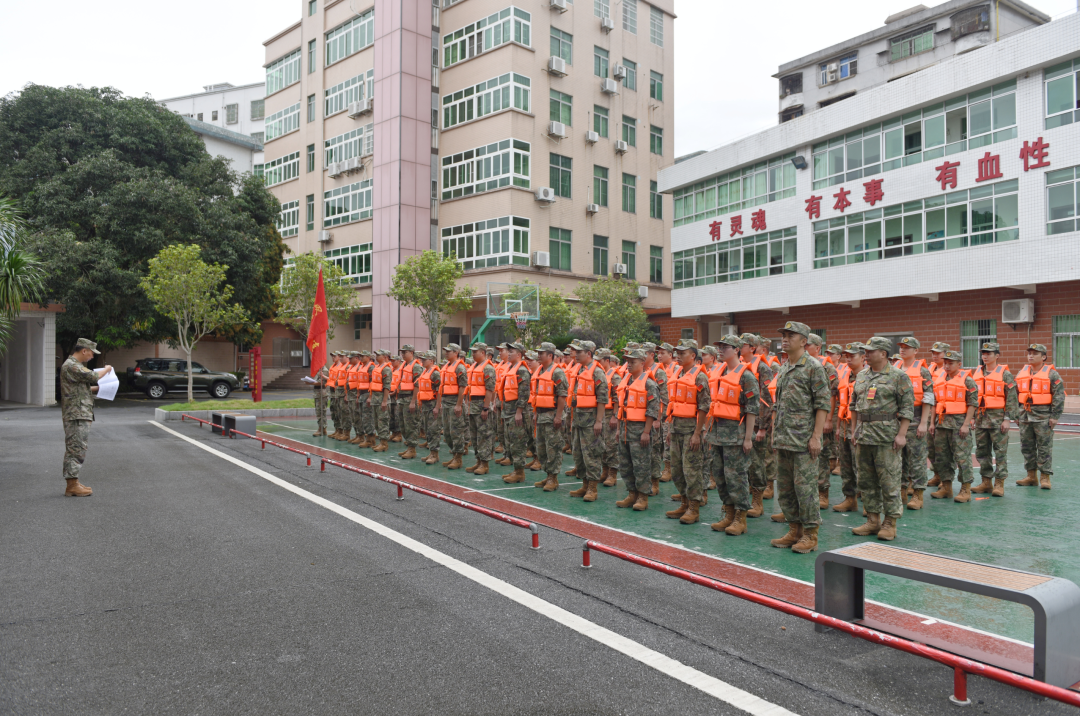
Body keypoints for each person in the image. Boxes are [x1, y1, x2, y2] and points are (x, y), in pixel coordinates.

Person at [770, 321, 830, 554]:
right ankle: (794, 529)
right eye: (783, 335)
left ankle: (810, 534)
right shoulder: (784, 366)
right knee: (785, 489)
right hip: (784, 438)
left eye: (790, 336)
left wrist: (816, 437)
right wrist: (775, 432)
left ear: (804, 341)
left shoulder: (813, 367)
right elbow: (779, 404)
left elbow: (822, 404)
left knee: (805, 489)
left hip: (804, 441)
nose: (785, 339)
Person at [849, 337, 914, 541]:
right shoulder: (861, 376)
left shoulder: (898, 376)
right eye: (865, 351)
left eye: (871, 351)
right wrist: (854, 430)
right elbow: (854, 405)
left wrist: (902, 434)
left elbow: (907, 408)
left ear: (883, 354)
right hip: (864, 435)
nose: (866, 354)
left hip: (886, 436)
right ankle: (873, 520)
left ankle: (890, 523)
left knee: (889, 481)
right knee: (866, 481)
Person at [706, 335, 759, 536]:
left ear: (737, 350)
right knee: (720, 476)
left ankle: (740, 517)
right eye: (719, 347)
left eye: (725, 347)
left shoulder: (746, 376)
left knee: (736, 477)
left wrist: (748, 438)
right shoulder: (719, 372)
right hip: (717, 434)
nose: (720, 350)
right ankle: (728, 513)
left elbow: (752, 409)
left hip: (736, 435)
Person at [665, 339, 711, 524]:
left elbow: (704, 407)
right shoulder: (678, 374)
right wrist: (670, 429)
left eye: (682, 353)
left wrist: (697, 433)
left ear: (693, 355)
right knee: (677, 469)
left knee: (691, 470)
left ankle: (694, 508)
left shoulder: (700, 377)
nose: (678, 356)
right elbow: (674, 404)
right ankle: (684, 503)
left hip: (691, 430)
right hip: (676, 428)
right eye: (677, 353)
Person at [60, 338, 113, 496]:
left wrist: (102, 388)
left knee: (77, 447)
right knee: (76, 448)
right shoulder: (72, 365)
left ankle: (74, 482)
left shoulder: (73, 366)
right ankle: (71, 485)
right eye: (91, 353)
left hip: (78, 413)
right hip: (76, 414)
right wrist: (107, 369)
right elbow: (95, 376)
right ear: (84, 351)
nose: (92, 356)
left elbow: (81, 388)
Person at [970, 342, 1019, 496]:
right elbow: (972, 397)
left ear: (997, 355)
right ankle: (986, 482)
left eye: (989, 353)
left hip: (998, 419)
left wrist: (1007, 419)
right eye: (983, 353)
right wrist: (972, 417)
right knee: (982, 452)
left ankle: (999, 483)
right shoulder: (977, 373)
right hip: (980, 418)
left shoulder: (1005, 374)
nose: (985, 356)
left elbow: (1012, 397)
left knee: (1000, 452)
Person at [615, 348, 660, 510]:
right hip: (625, 429)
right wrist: (618, 430)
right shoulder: (626, 381)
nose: (629, 365)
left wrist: (646, 432)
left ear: (642, 363)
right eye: (627, 361)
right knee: (625, 464)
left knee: (641, 465)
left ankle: (642, 497)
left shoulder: (649, 384)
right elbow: (621, 407)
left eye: (632, 362)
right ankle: (631, 493)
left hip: (640, 430)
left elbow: (652, 410)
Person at [1015, 343, 1066, 489]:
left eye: (1035, 353)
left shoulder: (1052, 374)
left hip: (1043, 417)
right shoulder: (1022, 372)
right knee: (1027, 447)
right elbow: (1015, 394)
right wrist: (1016, 414)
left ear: (1044, 357)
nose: (1031, 356)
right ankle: (1031, 476)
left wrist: (1055, 416)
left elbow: (1059, 396)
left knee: (1044, 447)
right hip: (1024, 416)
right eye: (1029, 353)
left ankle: (1045, 477)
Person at [894, 337, 936, 510]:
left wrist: (924, 422)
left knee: (917, 458)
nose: (903, 350)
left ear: (916, 351)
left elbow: (928, 397)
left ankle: (918, 494)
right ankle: (902, 491)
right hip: (896, 420)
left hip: (916, 419)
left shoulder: (923, 371)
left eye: (907, 347)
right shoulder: (894, 368)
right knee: (898, 459)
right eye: (901, 347)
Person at [931, 350, 979, 502]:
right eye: (945, 363)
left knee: (962, 458)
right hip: (941, 425)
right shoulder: (939, 380)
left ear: (959, 364)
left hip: (959, 425)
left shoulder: (968, 381)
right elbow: (935, 403)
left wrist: (966, 424)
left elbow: (972, 404)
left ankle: (965, 489)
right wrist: (932, 423)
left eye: (950, 363)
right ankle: (946, 487)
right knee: (942, 458)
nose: (946, 366)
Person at [566, 340, 609, 501]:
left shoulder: (597, 372)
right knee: (578, 454)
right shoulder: (580, 370)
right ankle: (584, 484)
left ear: (588, 354)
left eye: (579, 352)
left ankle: (592, 488)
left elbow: (602, 399)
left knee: (592, 455)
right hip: (578, 420)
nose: (576, 355)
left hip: (591, 423)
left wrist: (599, 421)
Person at [739, 334, 775, 517]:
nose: (739, 347)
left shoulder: (763, 368)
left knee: (757, 463)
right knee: (743, 463)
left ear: (752, 348)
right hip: (742, 423)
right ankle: (745, 499)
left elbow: (767, 400)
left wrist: (762, 427)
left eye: (742, 344)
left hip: (757, 424)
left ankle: (757, 502)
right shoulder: (739, 366)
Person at [806, 334, 839, 510]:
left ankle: (822, 492)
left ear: (817, 348)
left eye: (808, 345)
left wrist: (828, 419)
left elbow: (832, 396)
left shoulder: (827, 368)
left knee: (822, 456)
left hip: (821, 417)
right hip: (803, 419)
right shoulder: (800, 364)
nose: (805, 347)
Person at [531, 342, 568, 491]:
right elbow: (537, 395)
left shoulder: (557, 372)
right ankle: (548, 475)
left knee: (553, 447)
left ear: (550, 356)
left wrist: (558, 417)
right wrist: (535, 413)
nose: (538, 356)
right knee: (541, 448)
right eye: (538, 353)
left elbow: (562, 396)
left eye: (541, 353)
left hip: (552, 416)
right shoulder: (540, 371)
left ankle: (553, 478)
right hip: (541, 415)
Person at [833, 343, 864, 513]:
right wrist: (838, 427)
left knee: (861, 466)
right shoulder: (845, 375)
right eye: (847, 356)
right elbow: (841, 404)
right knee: (846, 465)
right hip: (845, 426)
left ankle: (868, 503)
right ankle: (850, 498)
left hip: (861, 427)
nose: (849, 359)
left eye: (853, 356)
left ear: (863, 357)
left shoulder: (868, 377)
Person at [500, 343, 533, 483]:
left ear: (519, 354)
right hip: (508, 410)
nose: (508, 354)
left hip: (516, 411)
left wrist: (519, 412)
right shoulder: (511, 368)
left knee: (518, 443)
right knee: (510, 442)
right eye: (508, 351)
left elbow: (524, 393)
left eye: (511, 352)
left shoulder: (522, 370)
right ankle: (515, 469)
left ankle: (520, 472)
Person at [465, 343, 497, 475]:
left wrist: (485, 408)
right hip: (473, 405)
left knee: (484, 435)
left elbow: (490, 389)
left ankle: (485, 463)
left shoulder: (488, 368)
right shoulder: (474, 367)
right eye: (472, 352)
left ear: (483, 353)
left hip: (482, 405)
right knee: (475, 435)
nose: (473, 354)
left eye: (475, 352)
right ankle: (478, 460)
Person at [641, 342, 668, 496]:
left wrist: (658, 418)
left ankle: (655, 482)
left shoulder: (659, 372)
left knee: (654, 451)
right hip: (641, 418)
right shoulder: (641, 371)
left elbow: (663, 398)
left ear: (652, 355)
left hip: (654, 418)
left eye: (644, 353)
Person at [440, 344, 469, 469]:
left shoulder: (460, 367)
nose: (446, 353)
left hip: (454, 403)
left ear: (456, 353)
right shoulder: (446, 366)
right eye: (445, 351)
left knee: (456, 432)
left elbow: (463, 387)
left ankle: (458, 458)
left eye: (449, 351)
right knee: (447, 433)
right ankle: (454, 455)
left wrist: (459, 405)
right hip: (446, 402)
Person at [925, 342, 950, 487]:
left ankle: (945, 478)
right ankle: (937, 475)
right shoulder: (930, 369)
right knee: (931, 447)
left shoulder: (948, 371)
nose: (935, 355)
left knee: (942, 448)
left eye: (938, 353)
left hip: (942, 413)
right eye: (933, 353)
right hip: (929, 411)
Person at [598, 349, 622, 487]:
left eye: (599, 361)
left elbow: (618, 398)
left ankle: (612, 473)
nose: (597, 363)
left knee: (611, 445)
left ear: (607, 361)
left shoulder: (614, 377)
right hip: (601, 414)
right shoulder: (599, 375)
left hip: (610, 414)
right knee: (601, 444)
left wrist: (614, 416)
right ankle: (605, 470)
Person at [397, 345, 423, 459]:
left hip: (410, 399)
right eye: (402, 352)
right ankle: (409, 446)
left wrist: (413, 401)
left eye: (405, 352)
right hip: (402, 399)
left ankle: (412, 449)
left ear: (412, 353)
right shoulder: (404, 365)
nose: (402, 354)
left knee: (411, 425)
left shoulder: (416, 366)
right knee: (403, 425)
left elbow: (417, 385)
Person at [418, 351, 444, 464]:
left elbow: (439, 391)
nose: (422, 361)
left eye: (425, 359)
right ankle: (431, 452)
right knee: (427, 429)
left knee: (434, 430)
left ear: (432, 361)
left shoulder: (435, 374)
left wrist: (437, 407)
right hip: (425, 405)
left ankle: (435, 454)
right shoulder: (425, 372)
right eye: (422, 359)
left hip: (432, 404)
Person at [657, 342, 678, 483]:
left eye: (662, 353)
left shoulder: (676, 369)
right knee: (660, 440)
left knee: (667, 440)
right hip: (658, 411)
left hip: (670, 411)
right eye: (658, 353)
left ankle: (668, 469)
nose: (659, 356)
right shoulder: (659, 369)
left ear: (670, 355)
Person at [370, 350, 393, 452]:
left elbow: (387, 386)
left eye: (378, 355)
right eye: (376, 355)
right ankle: (380, 442)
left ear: (385, 357)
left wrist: (384, 401)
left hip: (382, 399)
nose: (376, 357)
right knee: (377, 422)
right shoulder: (377, 367)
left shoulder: (386, 369)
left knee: (382, 421)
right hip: (375, 399)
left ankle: (384, 444)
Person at [312, 357, 330, 437]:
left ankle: (322, 429)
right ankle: (321, 428)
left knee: (321, 412)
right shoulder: (319, 370)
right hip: (317, 393)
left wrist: (310, 383)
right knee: (318, 412)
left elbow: (322, 382)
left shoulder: (324, 370)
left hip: (322, 393)